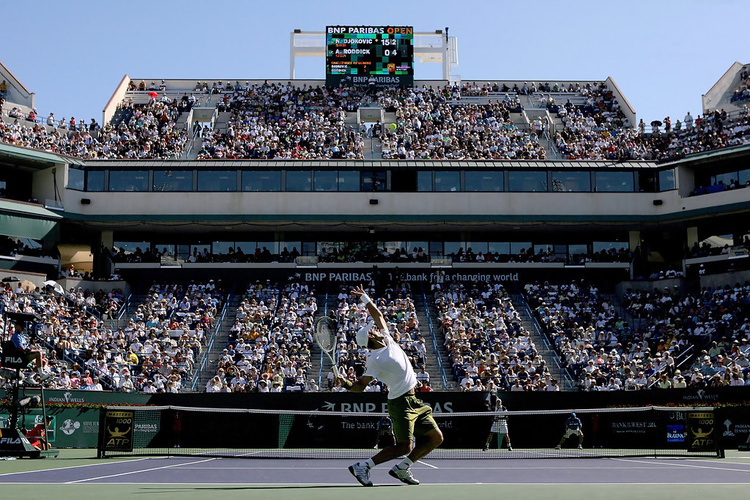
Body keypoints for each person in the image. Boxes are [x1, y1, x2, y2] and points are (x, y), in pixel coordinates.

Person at [342, 285, 443, 487]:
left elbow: (378, 315)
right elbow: (359, 387)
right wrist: (344, 383)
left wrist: (365, 298)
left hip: (415, 400)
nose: (376, 329)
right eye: (372, 330)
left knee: (435, 437)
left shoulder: (387, 339)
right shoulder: (374, 360)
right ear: (371, 338)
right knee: (405, 446)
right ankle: (364, 466)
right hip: (400, 403)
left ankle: (401, 468)